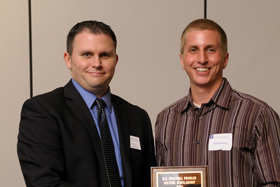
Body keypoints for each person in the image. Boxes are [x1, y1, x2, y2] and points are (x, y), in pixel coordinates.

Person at [17, 20, 156, 187]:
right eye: (87, 54)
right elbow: (45, 182)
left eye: (105, 55)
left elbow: (150, 182)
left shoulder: (137, 118)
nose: (96, 63)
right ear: (68, 60)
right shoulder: (42, 111)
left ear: (116, 60)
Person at [155, 18, 280, 187]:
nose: (202, 59)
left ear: (225, 59)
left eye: (210, 50)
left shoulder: (257, 114)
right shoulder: (167, 119)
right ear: (182, 60)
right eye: (193, 50)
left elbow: (274, 183)